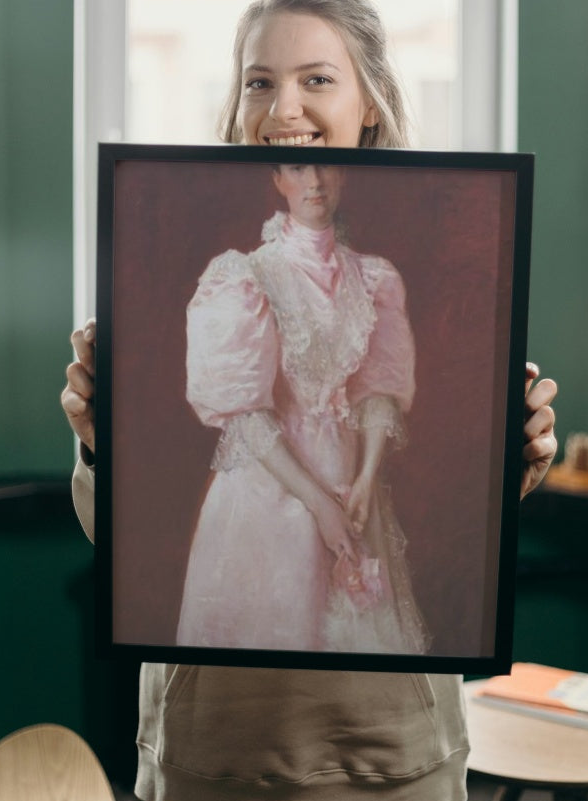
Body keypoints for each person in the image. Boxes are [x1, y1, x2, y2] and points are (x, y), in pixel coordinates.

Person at [62, 0, 558, 801]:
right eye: (259, 81)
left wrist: (506, 459)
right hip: (230, 673)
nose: (283, 108)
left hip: (376, 723)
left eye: (316, 79)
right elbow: (147, 500)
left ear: (369, 102)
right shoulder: (232, 275)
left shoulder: (381, 277)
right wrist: (101, 445)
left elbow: (383, 397)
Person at [176, 162, 429, 656]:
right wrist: (318, 505)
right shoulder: (247, 277)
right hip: (270, 491)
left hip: (349, 481)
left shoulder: (374, 278)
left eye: (326, 168)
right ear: (278, 179)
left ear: (345, 175)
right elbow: (244, 413)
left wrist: (365, 479)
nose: (314, 182)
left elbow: (378, 389)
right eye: (297, 168)